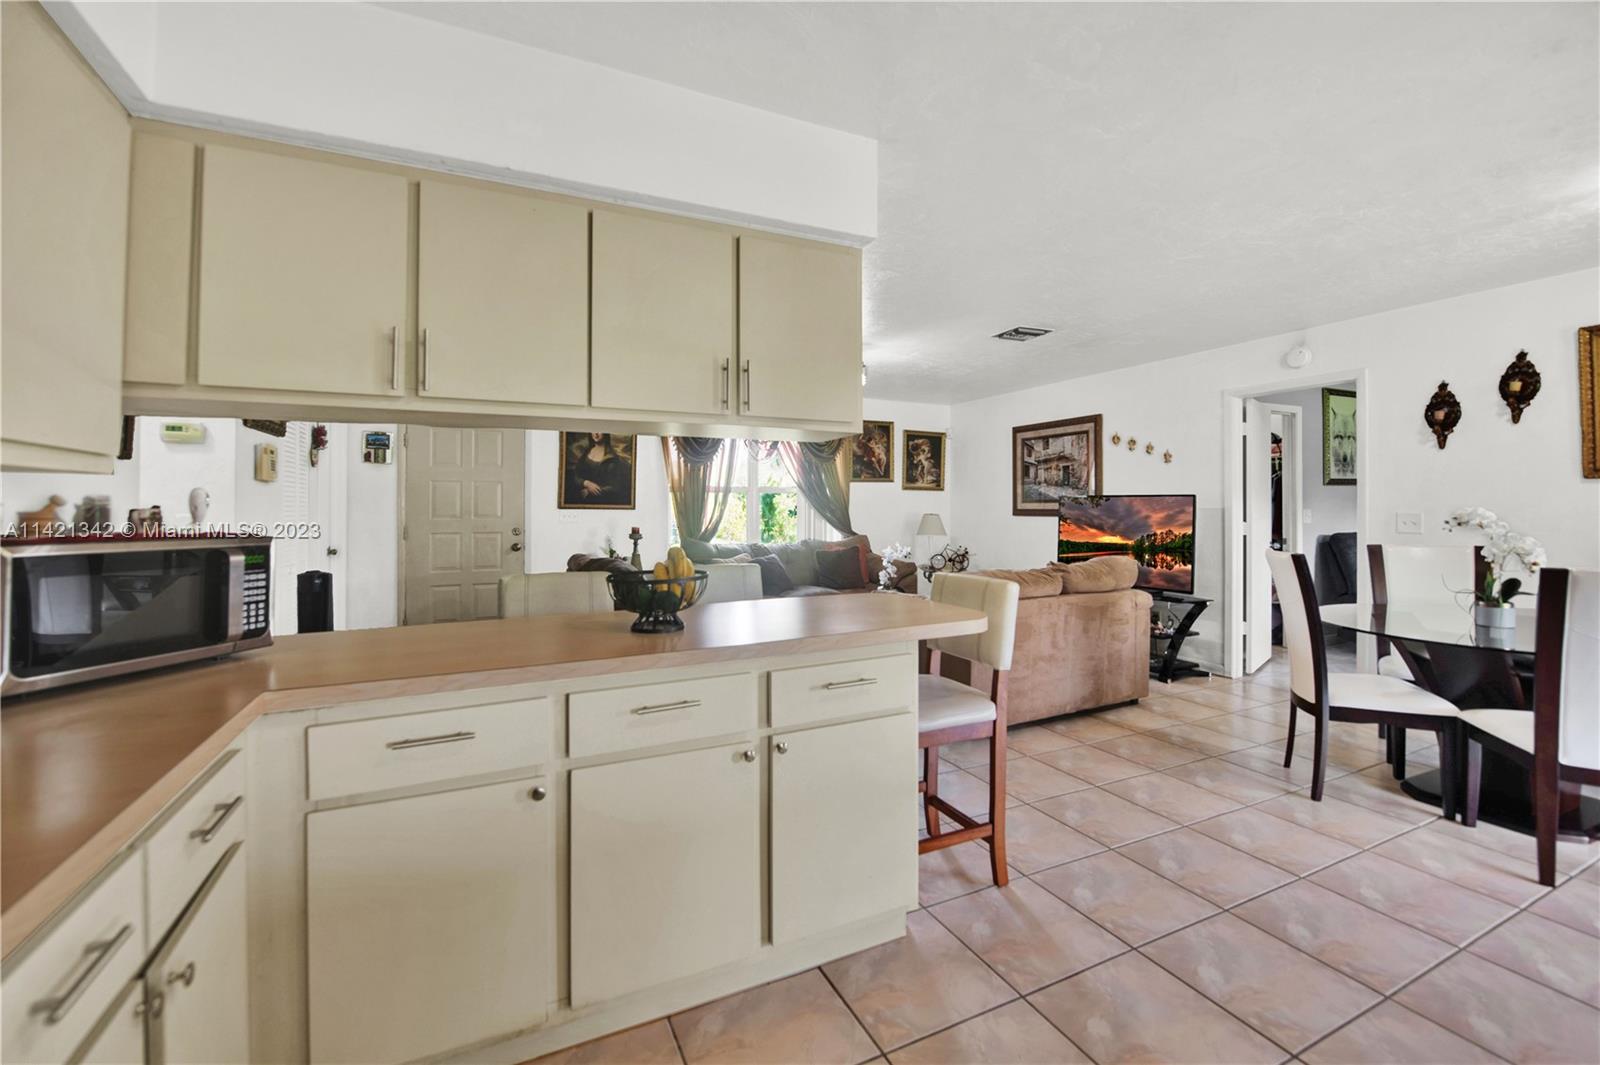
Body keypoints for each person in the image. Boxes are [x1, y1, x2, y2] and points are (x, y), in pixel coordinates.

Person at [565, 433, 632, 505]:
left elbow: (615, 487)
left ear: (606, 434)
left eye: (600, 431)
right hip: (581, 497)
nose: (596, 434)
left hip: (601, 501)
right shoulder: (587, 451)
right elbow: (576, 475)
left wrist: (589, 491)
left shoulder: (611, 458)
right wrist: (585, 483)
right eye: (594, 431)